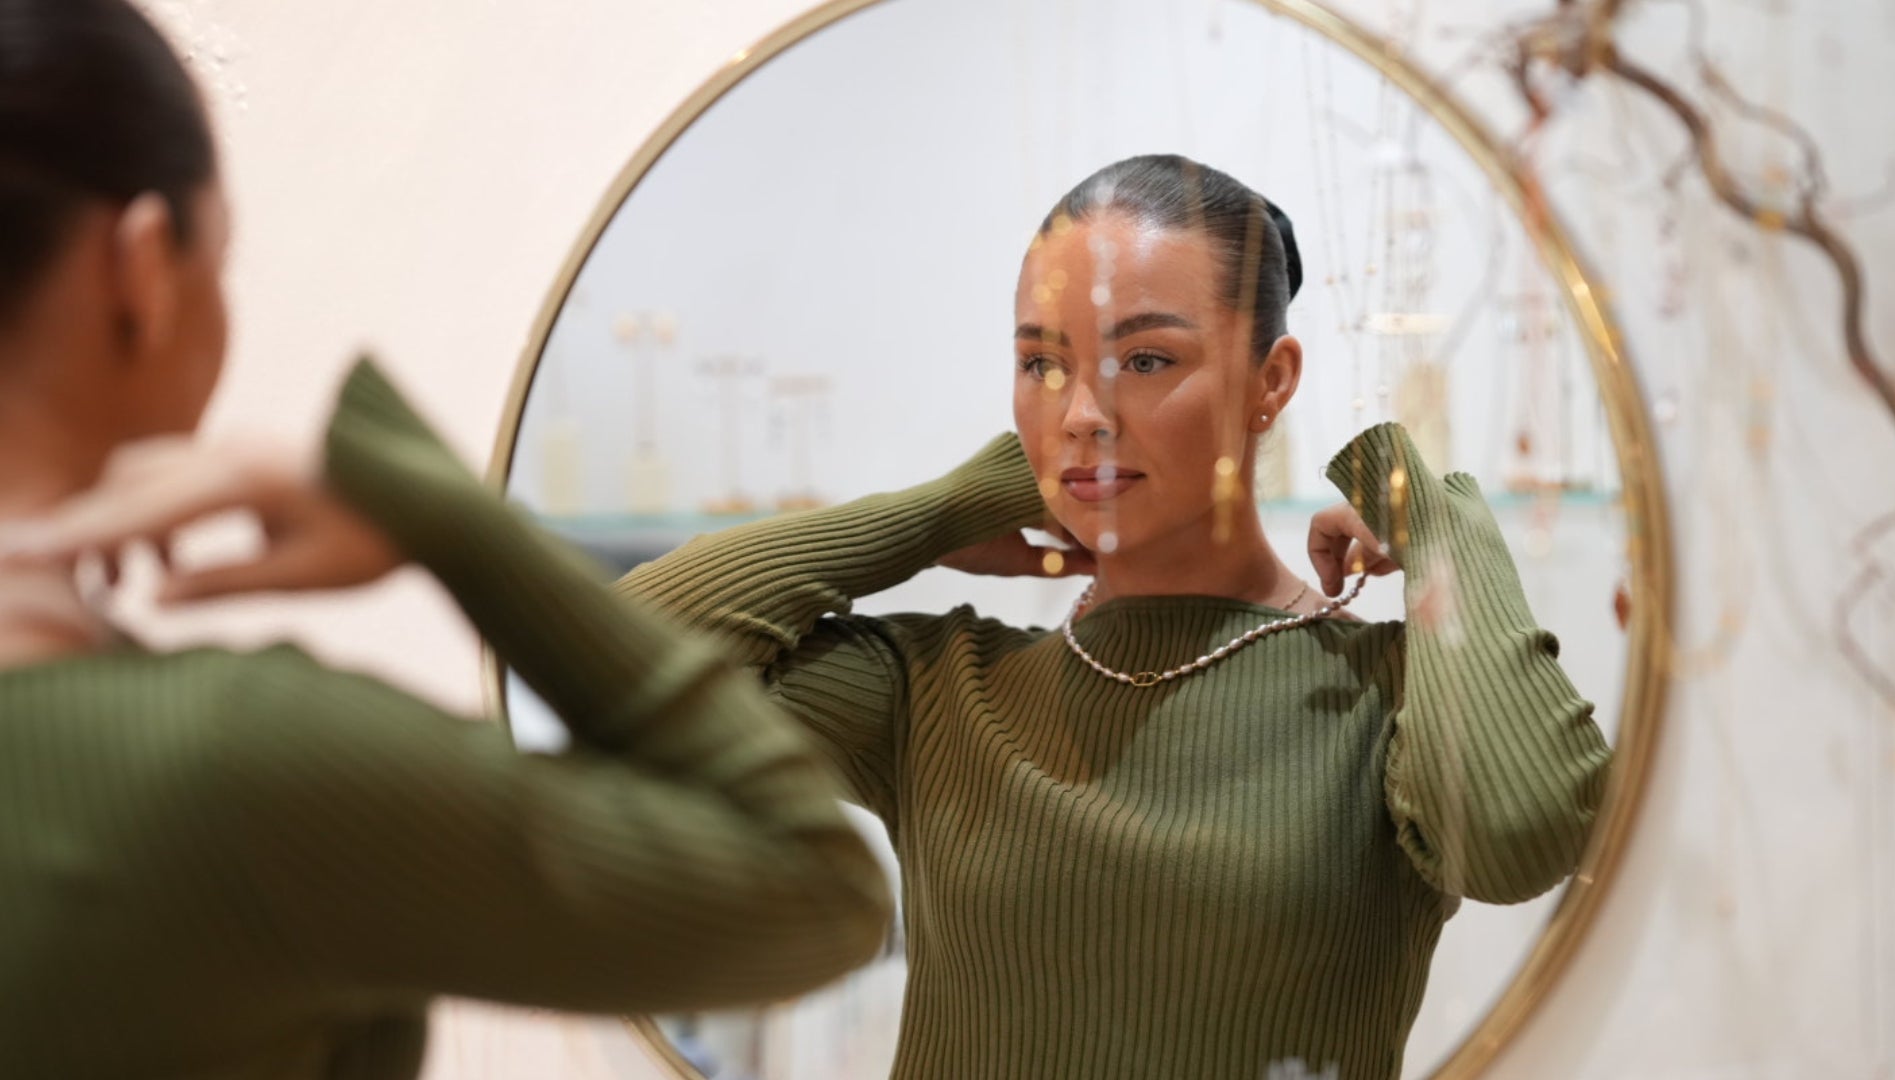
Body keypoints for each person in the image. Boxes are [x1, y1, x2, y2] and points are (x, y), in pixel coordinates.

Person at [0, 1, 889, 1075]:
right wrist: (437, 513)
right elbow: (817, 885)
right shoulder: (222, 766)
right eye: (220, 262)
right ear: (139, 269)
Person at [613, 154, 1614, 1080]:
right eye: (1043, 366)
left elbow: (1521, 832)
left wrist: (1435, 522)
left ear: (1273, 382)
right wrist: (949, 508)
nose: (1084, 413)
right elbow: (618, 654)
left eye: (1145, 361)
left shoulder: (1382, 696)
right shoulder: (947, 695)